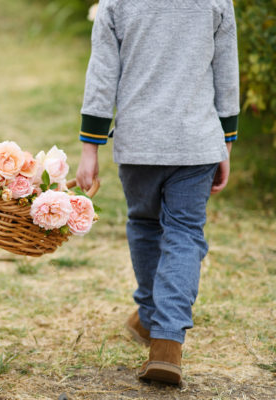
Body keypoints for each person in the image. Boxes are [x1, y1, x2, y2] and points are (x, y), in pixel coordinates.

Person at [76, 0, 239, 385]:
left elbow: (102, 72)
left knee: (146, 226)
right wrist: (226, 143)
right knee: (184, 234)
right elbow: (226, 70)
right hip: (197, 142)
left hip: (140, 144)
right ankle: (164, 338)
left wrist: (89, 147)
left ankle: (154, 324)